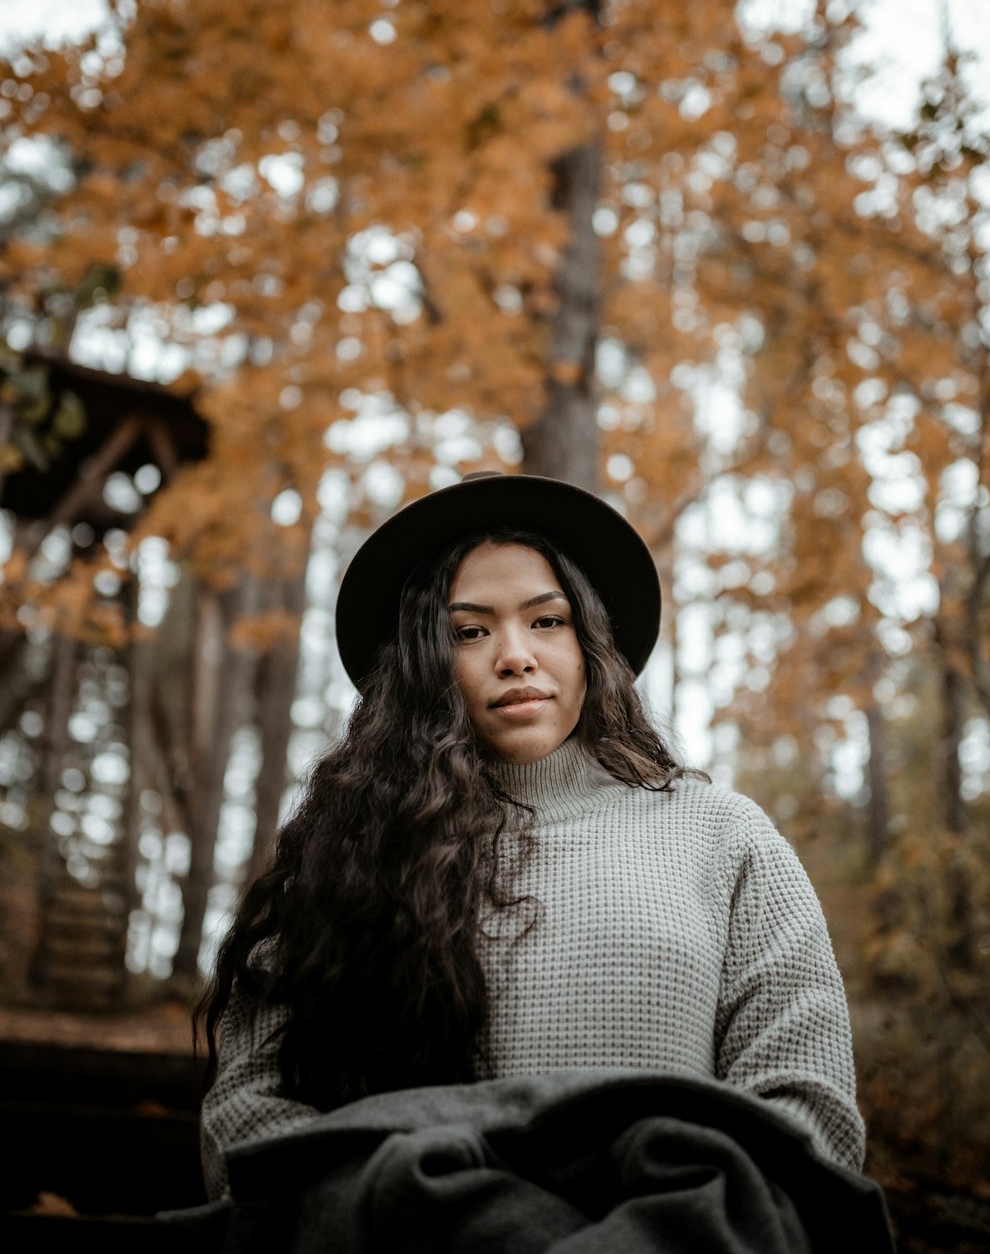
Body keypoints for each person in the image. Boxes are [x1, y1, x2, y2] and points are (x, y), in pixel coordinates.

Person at [198, 471, 865, 1204]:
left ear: (591, 644)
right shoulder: (350, 853)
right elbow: (249, 1111)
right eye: (470, 631)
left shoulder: (723, 836)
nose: (515, 654)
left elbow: (811, 1108)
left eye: (546, 621)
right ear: (423, 666)